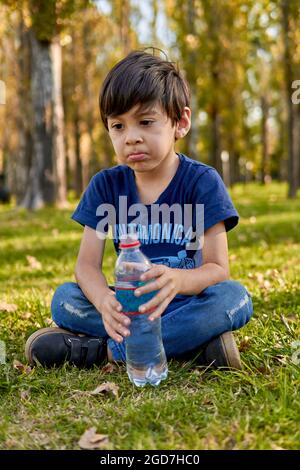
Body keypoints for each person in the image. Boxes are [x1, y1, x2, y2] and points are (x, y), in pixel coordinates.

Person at [25, 49, 253, 370]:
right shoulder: (106, 186)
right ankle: (195, 346)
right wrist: (105, 301)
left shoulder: (202, 182)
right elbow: (86, 268)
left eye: (146, 122)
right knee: (64, 299)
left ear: (180, 122)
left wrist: (178, 279)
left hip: (184, 303)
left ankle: (102, 352)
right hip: (128, 305)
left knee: (234, 298)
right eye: (118, 126)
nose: (131, 138)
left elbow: (217, 269)